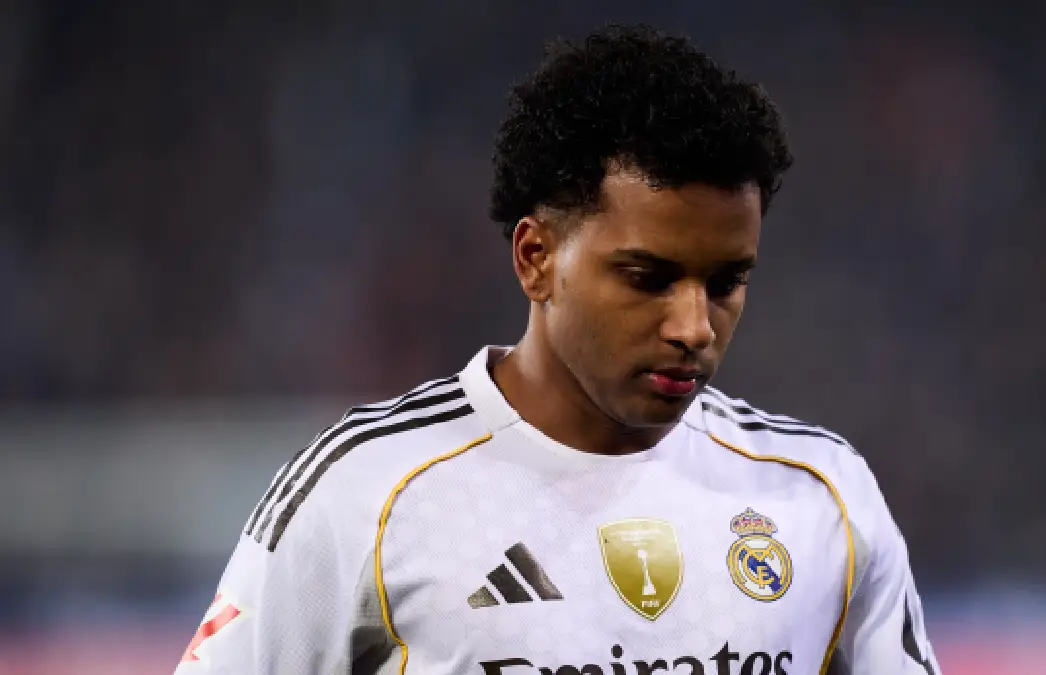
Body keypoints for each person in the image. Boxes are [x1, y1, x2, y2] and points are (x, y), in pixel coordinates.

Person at [177, 24, 940, 675]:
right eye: (648, 278)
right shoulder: (366, 493)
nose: (694, 326)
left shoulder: (820, 497)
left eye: (725, 282)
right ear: (536, 258)